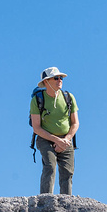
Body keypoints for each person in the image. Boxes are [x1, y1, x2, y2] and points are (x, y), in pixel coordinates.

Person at [30, 66, 79, 195]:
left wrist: (66, 140)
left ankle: (66, 204)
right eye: (56, 78)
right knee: (50, 167)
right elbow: (36, 127)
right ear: (46, 82)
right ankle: (45, 200)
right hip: (45, 139)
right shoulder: (37, 100)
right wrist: (56, 140)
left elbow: (75, 123)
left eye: (61, 78)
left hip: (66, 140)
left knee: (67, 172)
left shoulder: (69, 97)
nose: (60, 80)